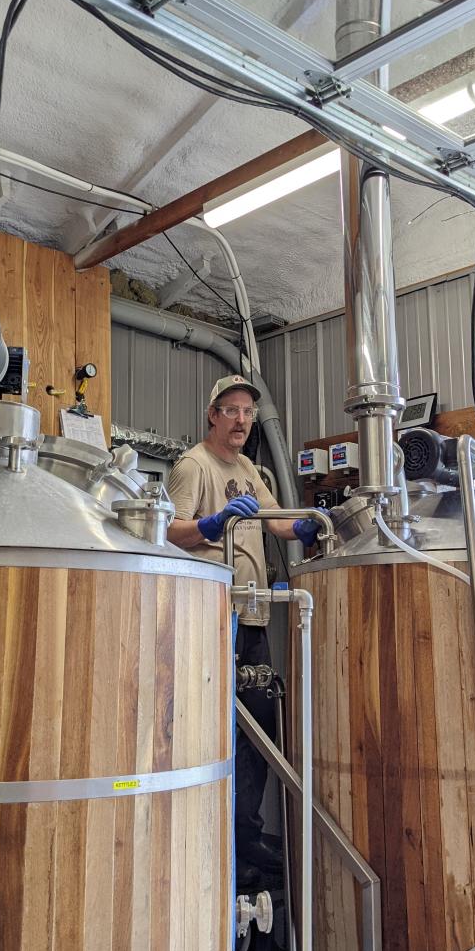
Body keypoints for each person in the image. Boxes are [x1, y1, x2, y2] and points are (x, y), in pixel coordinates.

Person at [166, 374, 320, 886]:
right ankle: (212, 836)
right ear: (212, 415)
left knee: (259, 731)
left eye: (248, 412)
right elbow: (169, 531)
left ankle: (246, 838)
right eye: (231, 410)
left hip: (251, 615)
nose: (241, 420)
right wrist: (212, 526)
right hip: (212, 616)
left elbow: (276, 521)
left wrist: (307, 524)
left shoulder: (250, 467)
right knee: (219, 729)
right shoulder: (193, 465)